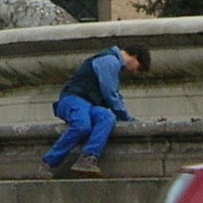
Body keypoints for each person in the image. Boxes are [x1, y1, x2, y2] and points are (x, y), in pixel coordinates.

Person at [43, 44, 150, 178]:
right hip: (73, 99)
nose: (134, 72)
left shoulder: (112, 62)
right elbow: (111, 94)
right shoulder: (110, 61)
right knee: (82, 125)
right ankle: (48, 162)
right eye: (138, 68)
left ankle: (88, 157)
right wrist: (129, 119)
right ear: (135, 57)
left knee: (107, 118)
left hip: (89, 105)